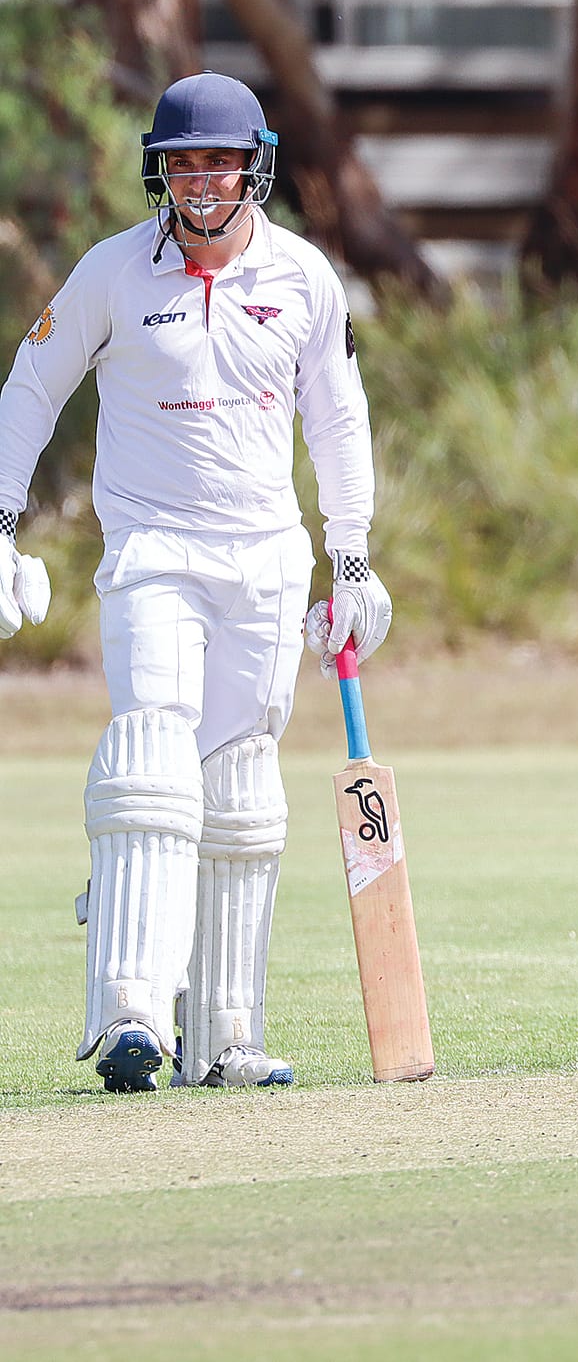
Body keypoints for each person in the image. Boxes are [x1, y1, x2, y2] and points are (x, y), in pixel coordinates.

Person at [0, 71, 392, 1092]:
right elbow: (30, 388)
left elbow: (337, 421)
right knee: (153, 753)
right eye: (182, 161)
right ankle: (131, 1015)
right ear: (159, 170)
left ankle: (223, 1035)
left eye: (218, 160)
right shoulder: (115, 274)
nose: (201, 179)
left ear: (253, 165)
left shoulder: (304, 279)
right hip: (154, 550)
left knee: (240, 785)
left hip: (265, 559)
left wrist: (351, 558)